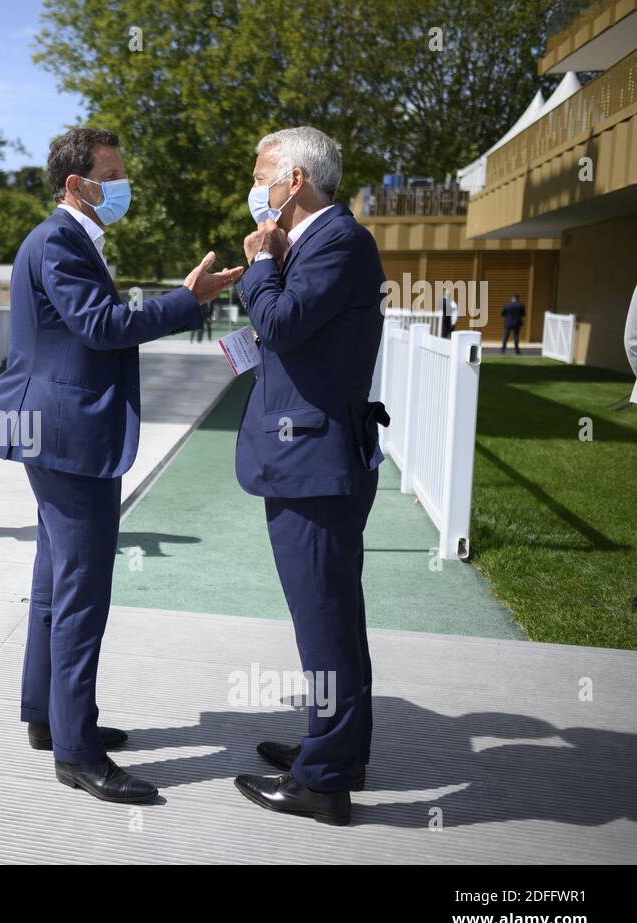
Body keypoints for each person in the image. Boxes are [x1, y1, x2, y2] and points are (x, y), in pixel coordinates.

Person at [0, 127, 243, 804]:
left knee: (53, 584)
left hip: (56, 430)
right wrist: (190, 300)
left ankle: (51, 717)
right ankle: (77, 751)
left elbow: (88, 327)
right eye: (111, 174)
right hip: (68, 438)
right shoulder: (61, 240)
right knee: (81, 595)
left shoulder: (62, 240)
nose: (122, 186)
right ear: (76, 184)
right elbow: (101, 326)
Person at [230, 126, 388, 826]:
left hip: (315, 466)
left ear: (295, 180)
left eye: (262, 171)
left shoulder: (340, 241)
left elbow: (284, 324)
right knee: (333, 621)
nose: (254, 184)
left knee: (324, 626)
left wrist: (262, 262)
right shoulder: (319, 243)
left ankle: (323, 782)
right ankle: (336, 751)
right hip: (310, 458)